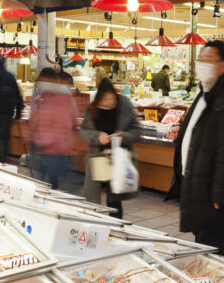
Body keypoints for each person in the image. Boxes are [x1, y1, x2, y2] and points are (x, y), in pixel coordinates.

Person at [166, 40, 224, 256]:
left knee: (216, 249)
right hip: (199, 184)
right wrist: (184, 131)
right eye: (200, 60)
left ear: (223, 65)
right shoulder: (207, 92)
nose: (202, 65)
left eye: (208, 60)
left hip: (212, 192)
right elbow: (204, 128)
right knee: (206, 245)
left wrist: (220, 194)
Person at [80, 79, 141, 218]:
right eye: (104, 99)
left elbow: (137, 131)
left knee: (114, 200)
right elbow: (83, 131)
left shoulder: (124, 105)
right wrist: (97, 136)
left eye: (110, 98)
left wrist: (123, 136)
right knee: (92, 200)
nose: (108, 102)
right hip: (97, 160)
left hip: (118, 160)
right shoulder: (92, 109)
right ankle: (94, 226)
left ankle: (116, 227)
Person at [28, 68, 78, 189]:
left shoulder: (63, 98)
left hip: (56, 149)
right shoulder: (40, 95)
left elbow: (71, 122)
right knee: (40, 183)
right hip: (42, 146)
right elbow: (34, 116)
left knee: (51, 183)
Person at [0, 55, 24, 161]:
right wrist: (18, 112)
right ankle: (4, 158)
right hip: (8, 112)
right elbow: (18, 95)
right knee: (6, 136)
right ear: (4, 63)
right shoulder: (10, 76)